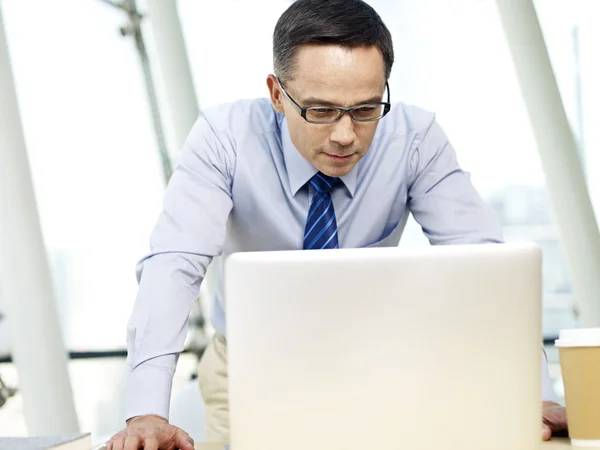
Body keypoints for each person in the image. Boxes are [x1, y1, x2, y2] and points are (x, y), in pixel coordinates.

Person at [107, 1, 567, 448]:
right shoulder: (223, 139)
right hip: (248, 367)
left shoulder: (414, 140)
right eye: (321, 111)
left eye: (366, 109)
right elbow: (173, 265)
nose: (346, 134)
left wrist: (535, 393)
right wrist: (147, 412)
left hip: (378, 362)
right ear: (276, 94)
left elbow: (484, 269)